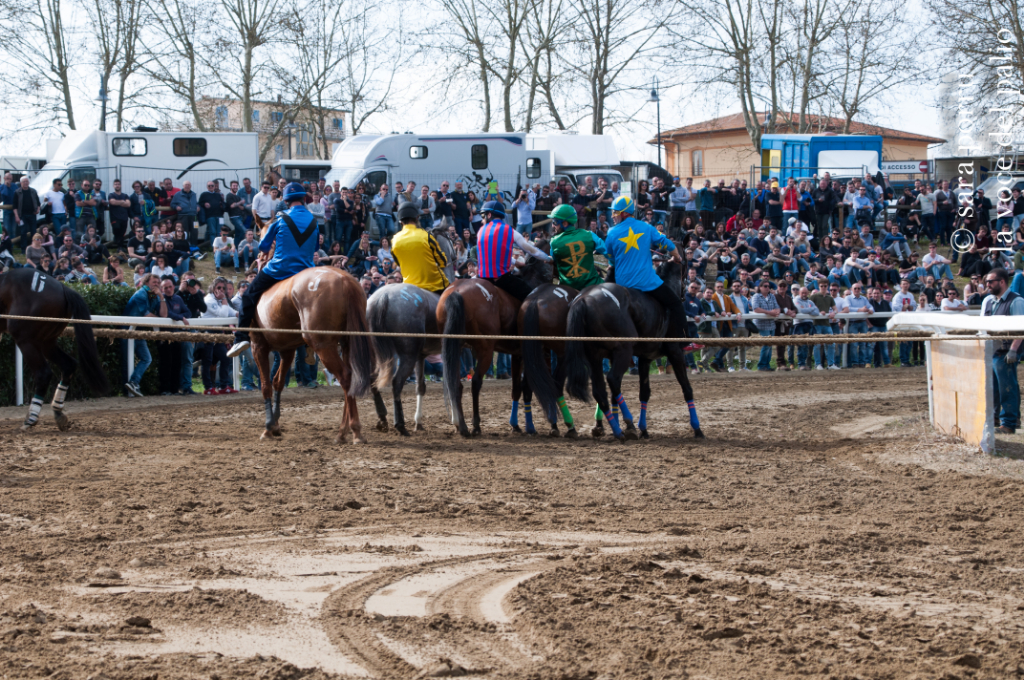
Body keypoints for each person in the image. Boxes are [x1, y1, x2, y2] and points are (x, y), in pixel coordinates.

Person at [228, 182, 318, 358]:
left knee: (248, 295)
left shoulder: (280, 219)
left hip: (280, 269)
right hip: (307, 272)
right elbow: (314, 249)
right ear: (302, 198)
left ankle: (241, 338)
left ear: (286, 200)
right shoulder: (314, 221)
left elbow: (263, 246)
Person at [474, 200, 552, 302]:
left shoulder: (480, 231)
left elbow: (493, 255)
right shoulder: (509, 230)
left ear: (489, 215)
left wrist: (515, 262)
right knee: (532, 297)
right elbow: (532, 251)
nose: (481, 220)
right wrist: (548, 258)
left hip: (481, 277)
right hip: (501, 279)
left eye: (482, 216)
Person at [980, 268, 1024, 433]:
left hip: (1006, 351)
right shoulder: (989, 301)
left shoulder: (1016, 301)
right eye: (987, 282)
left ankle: (1008, 424)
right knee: (994, 388)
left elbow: (1021, 329)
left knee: (1007, 387)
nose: (987, 284)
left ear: (1002, 282)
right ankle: (998, 418)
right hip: (992, 350)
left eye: (991, 281)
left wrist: (1013, 350)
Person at [122, 273, 168, 397]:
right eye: (154, 282)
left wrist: (161, 296)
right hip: (127, 331)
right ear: (147, 282)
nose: (157, 285)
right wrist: (159, 319)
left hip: (138, 331)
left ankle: (133, 383)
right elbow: (147, 315)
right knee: (126, 362)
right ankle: (126, 391)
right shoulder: (140, 294)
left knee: (147, 358)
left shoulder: (156, 296)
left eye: (158, 283)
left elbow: (164, 315)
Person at [390, 201, 450, 294]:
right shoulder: (426, 235)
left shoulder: (394, 240)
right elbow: (443, 261)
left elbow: (399, 263)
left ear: (400, 221)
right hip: (435, 285)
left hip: (409, 286)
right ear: (417, 218)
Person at [548, 203, 605, 290]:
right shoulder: (589, 234)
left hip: (568, 288)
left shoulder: (554, 242)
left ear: (565, 223)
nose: (553, 225)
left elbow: (555, 261)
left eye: (555, 222)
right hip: (593, 285)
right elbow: (606, 250)